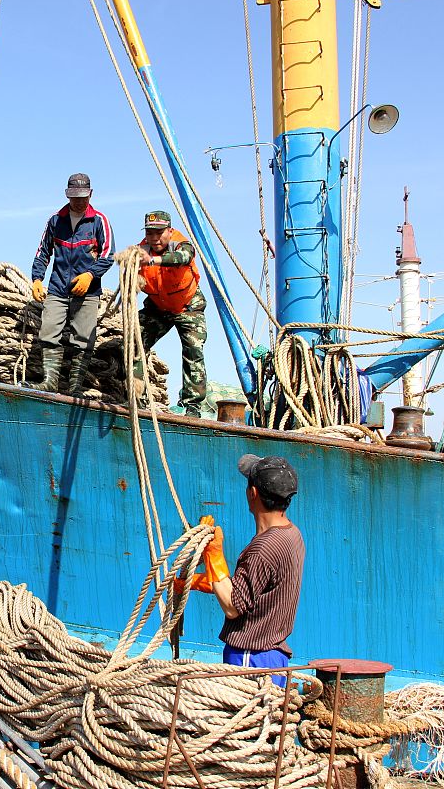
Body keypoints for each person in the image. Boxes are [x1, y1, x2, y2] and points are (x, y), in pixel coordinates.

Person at [185, 454, 304, 686]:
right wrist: (192, 582)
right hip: (274, 656)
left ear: (253, 493)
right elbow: (254, 589)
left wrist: (213, 555)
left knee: (243, 719)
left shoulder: (263, 548)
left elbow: (233, 607)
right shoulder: (292, 535)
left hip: (251, 657)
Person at [24, 173, 115, 395]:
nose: (79, 201)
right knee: (48, 331)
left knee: (83, 338)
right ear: (67, 195)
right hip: (58, 288)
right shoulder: (56, 221)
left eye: (83, 196)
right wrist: (37, 279)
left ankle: (75, 388)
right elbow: (43, 253)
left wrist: (90, 275)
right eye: (75, 197)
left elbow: (108, 254)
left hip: (88, 291)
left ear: (91, 194)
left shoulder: (99, 221)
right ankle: (50, 382)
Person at [134, 210, 207, 416]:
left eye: (159, 233)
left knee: (193, 350)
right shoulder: (140, 251)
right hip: (159, 308)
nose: (155, 238)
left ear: (170, 230)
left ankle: (192, 405)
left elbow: (183, 257)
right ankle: (137, 396)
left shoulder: (181, 244)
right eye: (150, 233)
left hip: (188, 307)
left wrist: (153, 261)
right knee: (134, 341)